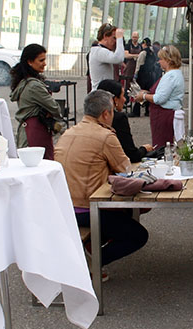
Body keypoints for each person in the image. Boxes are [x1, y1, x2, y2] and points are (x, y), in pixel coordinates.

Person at [54, 90, 148, 276]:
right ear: (106, 113)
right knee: (138, 236)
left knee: (124, 214)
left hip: (63, 206)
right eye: (113, 111)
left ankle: (90, 250)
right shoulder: (105, 136)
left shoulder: (68, 133)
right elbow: (126, 169)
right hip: (88, 209)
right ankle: (91, 262)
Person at [11, 43, 63, 160]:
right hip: (35, 132)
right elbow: (55, 108)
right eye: (41, 60)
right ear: (30, 62)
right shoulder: (34, 86)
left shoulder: (24, 82)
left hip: (28, 130)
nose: (45, 63)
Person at [133, 45, 184, 148]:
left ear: (168, 60)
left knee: (162, 147)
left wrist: (144, 96)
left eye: (161, 59)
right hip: (166, 113)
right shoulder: (176, 74)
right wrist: (148, 93)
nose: (159, 62)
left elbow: (159, 99)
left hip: (164, 115)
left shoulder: (170, 76)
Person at [97, 79, 153, 163]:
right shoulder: (118, 118)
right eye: (123, 96)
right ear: (115, 100)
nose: (124, 100)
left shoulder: (91, 117)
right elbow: (131, 154)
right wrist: (144, 149)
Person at [88, 23, 126, 90]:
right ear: (105, 36)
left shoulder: (98, 50)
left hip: (102, 92)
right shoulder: (99, 51)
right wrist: (119, 38)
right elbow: (118, 58)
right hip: (100, 93)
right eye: (114, 38)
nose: (115, 42)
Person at [123, 31, 143, 116]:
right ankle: (125, 102)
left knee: (137, 87)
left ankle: (136, 104)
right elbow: (126, 55)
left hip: (137, 68)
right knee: (127, 86)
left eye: (136, 37)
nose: (134, 38)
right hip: (129, 68)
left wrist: (133, 55)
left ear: (138, 37)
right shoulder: (128, 45)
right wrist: (136, 56)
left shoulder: (140, 46)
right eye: (133, 37)